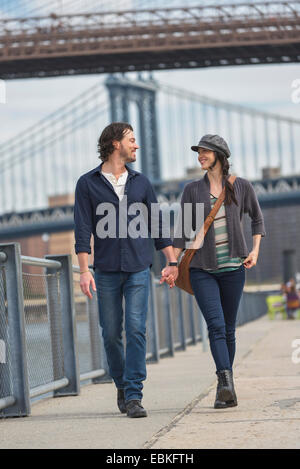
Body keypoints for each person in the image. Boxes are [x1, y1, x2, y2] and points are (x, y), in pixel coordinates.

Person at [74, 122, 177, 418]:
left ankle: (133, 395)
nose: (137, 145)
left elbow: (157, 225)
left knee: (135, 329)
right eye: (132, 140)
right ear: (115, 144)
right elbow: (82, 228)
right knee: (110, 334)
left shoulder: (142, 183)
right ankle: (121, 384)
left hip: (138, 268)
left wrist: (171, 262)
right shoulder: (87, 183)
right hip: (105, 269)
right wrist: (84, 270)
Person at [160, 134, 266, 409]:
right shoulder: (192, 189)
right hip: (201, 269)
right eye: (198, 152)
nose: (200, 156)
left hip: (233, 268)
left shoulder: (241, 186)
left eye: (205, 151)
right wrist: (172, 265)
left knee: (229, 329)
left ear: (220, 154)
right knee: (216, 326)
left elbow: (257, 218)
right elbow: (183, 230)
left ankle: (225, 388)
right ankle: (225, 382)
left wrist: (254, 251)